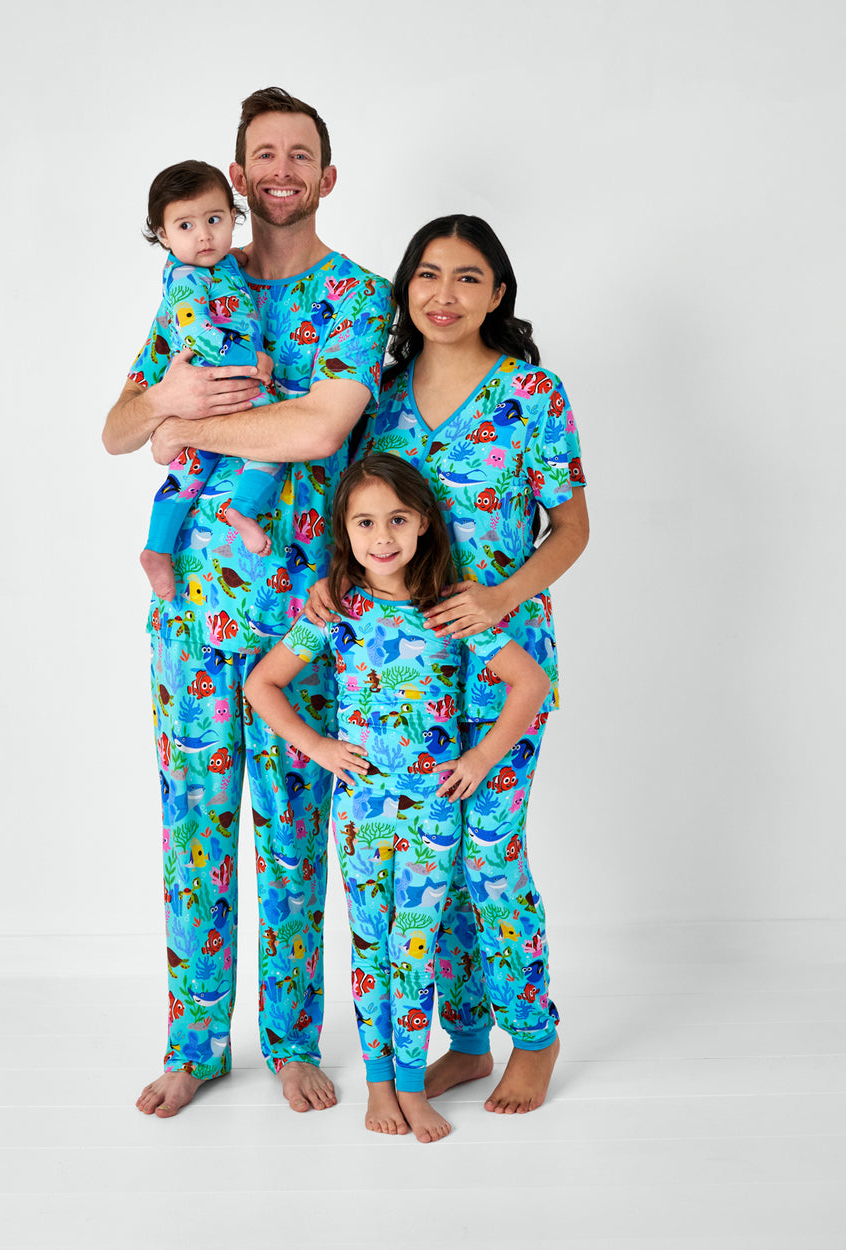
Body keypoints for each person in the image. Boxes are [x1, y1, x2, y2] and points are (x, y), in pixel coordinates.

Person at [102, 87, 393, 1118]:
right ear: (235, 174)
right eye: (261, 153)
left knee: (292, 826)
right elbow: (115, 425)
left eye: (299, 153)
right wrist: (160, 405)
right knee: (193, 825)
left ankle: (285, 1040)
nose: (279, 168)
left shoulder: (359, 299)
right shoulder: (192, 285)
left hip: (303, 616)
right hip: (189, 613)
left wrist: (184, 431)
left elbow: (318, 433)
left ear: (326, 175)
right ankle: (193, 1043)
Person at [310, 215, 589, 1114]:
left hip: (503, 659)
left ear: (498, 293)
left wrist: (505, 596)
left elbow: (573, 527)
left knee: (489, 858)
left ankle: (533, 1037)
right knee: (429, 861)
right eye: (427, 275)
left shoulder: (533, 394)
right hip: (398, 678)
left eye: (468, 278)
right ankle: (467, 1042)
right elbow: (354, 516)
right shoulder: (379, 396)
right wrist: (325, 591)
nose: (443, 295)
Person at [245, 455, 550, 1142]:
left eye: (397, 519)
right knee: (369, 945)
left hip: (431, 812)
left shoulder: (449, 609)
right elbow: (263, 684)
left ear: (423, 525)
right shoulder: (338, 611)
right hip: (359, 814)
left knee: (415, 946)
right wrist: (319, 747)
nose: (382, 536)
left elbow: (528, 683)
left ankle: (411, 1087)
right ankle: (380, 1087)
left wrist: (478, 758)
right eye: (364, 522)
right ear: (345, 532)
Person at [134, 160, 284, 600]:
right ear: (163, 235)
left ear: (234, 219)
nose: (203, 235)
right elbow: (196, 330)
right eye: (185, 225)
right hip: (219, 385)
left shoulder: (222, 265)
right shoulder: (184, 277)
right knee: (257, 448)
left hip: (232, 389)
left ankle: (221, 519)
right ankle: (172, 543)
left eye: (214, 220)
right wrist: (249, 359)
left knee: (207, 467)